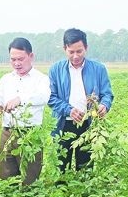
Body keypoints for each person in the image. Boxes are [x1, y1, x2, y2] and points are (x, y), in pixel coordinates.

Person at [0, 37, 51, 185]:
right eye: (13, 59)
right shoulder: (6, 79)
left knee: (30, 177)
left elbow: (43, 97)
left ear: (31, 56)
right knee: (6, 176)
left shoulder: (41, 79)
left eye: (20, 59)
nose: (17, 63)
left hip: (30, 134)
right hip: (8, 132)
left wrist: (20, 99)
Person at [48, 28, 114, 173]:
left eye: (80, 51)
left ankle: (83, 194)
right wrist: (69, 110)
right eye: (71, 52)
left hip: (89, 125)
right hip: (63, 124)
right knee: (60, 169)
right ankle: (61, 192)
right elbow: (50, 97)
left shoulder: (98, 69)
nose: (76, 56)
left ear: (86, 48)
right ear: (65, 49)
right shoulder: (56, 69)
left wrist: (104, 105)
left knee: (85, 168)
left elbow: (107, 94)